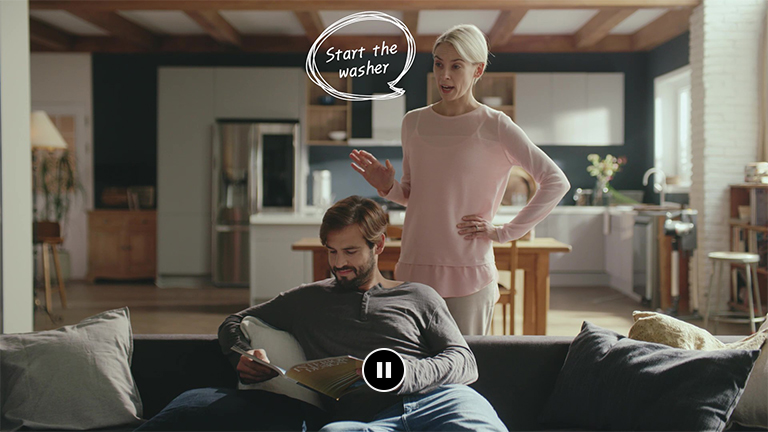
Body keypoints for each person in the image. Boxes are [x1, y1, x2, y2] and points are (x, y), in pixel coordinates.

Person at [137, 196, 507, 432]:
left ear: (378, 245)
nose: (338, 264)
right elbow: (233, 322)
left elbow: (464, 361)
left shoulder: (418, 295)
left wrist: (402, 372)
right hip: (364, 422)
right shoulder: (307, 300)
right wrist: (242, 355)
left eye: (350, 252)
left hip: (440, 403)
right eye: (331, 252)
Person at [350, 24, 570, 335]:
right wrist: (387, 186)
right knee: (413, 363)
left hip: (469, 272)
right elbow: (415, 195)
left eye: (456, 66)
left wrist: (504, 232)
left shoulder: (496, 126)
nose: (444, 76)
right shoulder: (413, 122)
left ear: (478, 70)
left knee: (465, 367)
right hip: (415, 264)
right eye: (439, 64)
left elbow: (555, 181)